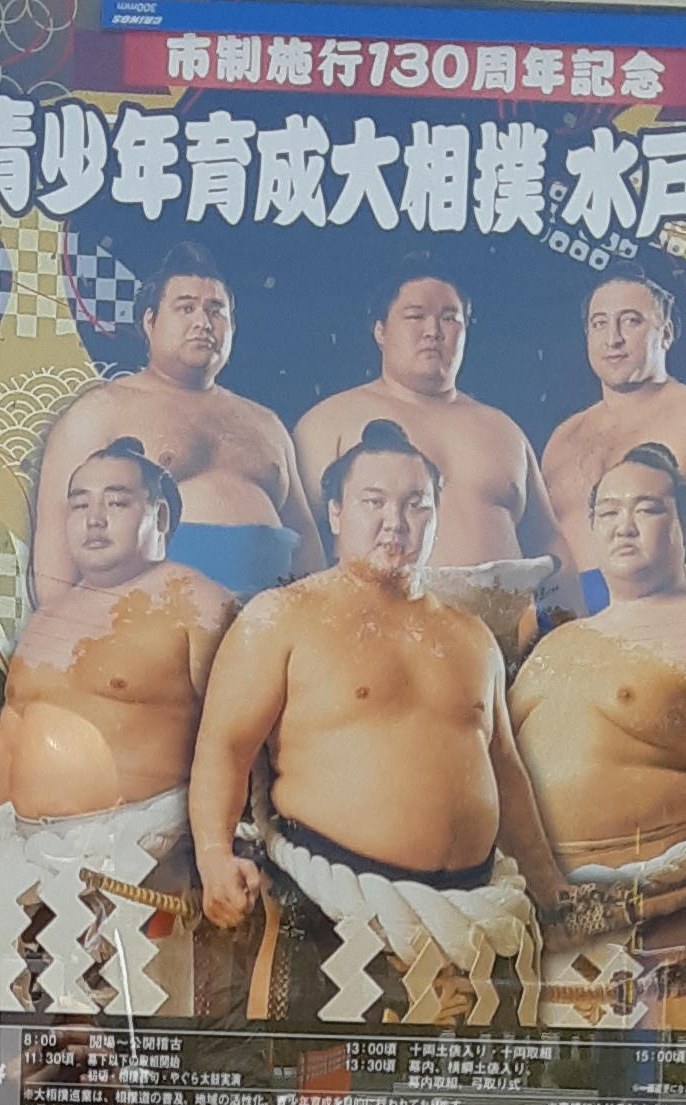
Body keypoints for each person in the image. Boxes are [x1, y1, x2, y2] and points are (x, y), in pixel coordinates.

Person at [187, 423, 574, 1029]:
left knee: (470, 1093)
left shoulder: (471, 636)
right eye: (373, 501)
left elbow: (505, 771)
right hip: (331, 914)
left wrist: (549, 887)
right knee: (324, 1089)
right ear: (337, 513)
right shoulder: (282, 618)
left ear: (436, 515)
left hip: (476, 921)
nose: (395, 521)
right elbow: (225, 747)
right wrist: (213, 854)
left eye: (416, 504)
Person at [0, 441, 237, 1016]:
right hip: (22, 867)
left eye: (116, 502)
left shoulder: (196, 605)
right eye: (79, 504)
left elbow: (235, 740)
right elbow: (9, 743)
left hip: (146, 865)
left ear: (159, 517)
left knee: (146, 1031)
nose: (94, 518)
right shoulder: (47, 621)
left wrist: (218, 854)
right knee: (40, 1043)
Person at [512, 447, 686, 1032]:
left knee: (670, 1080)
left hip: (669, 915)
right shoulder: (556, 646)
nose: (624, 525)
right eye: (609, 512)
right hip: (537, 921)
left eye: (647, 508)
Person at [290, 267, 562, 668]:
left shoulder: (504, 430)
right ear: (380, 330)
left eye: (450, 318)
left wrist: (572, 642)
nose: (433, 331)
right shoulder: (328, 422)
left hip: (508, 649)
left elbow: (551, 545)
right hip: (376, 646)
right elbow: (299, 544)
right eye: (415, 316)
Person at [24, 244, 318, 612]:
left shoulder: (266, 424)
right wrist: (70, 631)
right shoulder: (101, 412)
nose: (203, 323)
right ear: (150, 322)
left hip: (267, 628)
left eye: (216, 310)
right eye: (186, 308)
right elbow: (55, 558)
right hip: (149, 625)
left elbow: (307, 545)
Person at [539, 263, 686, 633]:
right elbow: (550, 559)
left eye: (631, 321)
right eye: (600, 324)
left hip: (675, 626)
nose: (613, 338)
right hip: (578, 637)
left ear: (665, 333)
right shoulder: (564, 438)